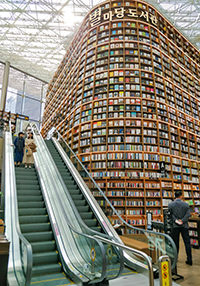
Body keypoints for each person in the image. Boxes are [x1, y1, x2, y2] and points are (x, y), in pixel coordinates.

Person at [168, 190, 192, 265]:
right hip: (184, 225)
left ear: (175, 196)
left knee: (175, 243)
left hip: (175, 226)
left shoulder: (170, 204)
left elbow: (170, 215)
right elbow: (188, 214)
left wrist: (176, 220)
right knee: (187, 243)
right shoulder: (186, 204)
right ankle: (189, 259)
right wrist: (182, 220)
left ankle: (175, 259)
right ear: (181, 196)